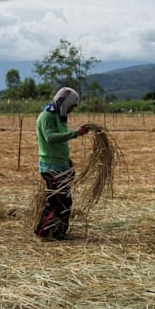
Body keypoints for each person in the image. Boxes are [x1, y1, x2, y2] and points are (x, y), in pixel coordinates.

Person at [34, 88, 90, 240]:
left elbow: (61, 144)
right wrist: (75, 133)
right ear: (64, 103)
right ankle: (43, 233)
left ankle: (59, 234)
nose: (72, 109)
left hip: (61, 165)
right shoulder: (47, 116)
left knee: (65, 201)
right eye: (72, 106)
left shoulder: (59, 117)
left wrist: (68, 162)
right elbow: (50, 138)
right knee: (56, 201)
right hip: (51, 166)